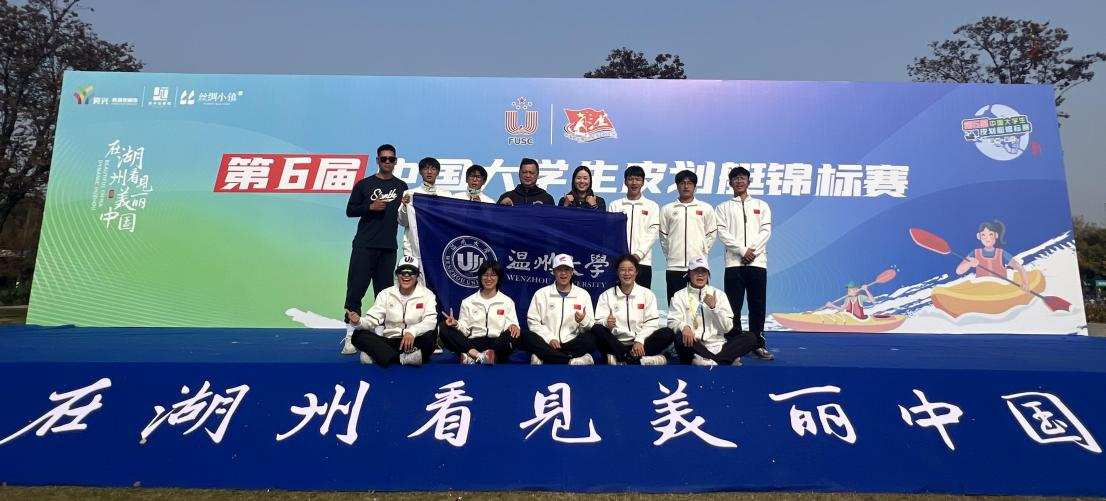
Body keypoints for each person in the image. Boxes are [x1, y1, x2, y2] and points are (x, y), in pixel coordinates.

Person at [341, 144, 409, 355]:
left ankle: (380, 335)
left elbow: (405, 216)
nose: (387, 162)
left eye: (391, 159)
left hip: (388, 247)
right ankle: (351, 335)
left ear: (395, 161)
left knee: (384, 294)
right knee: (355, 290)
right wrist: (369, 207)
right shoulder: (364, 184)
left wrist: (407, 205)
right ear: (377, 160)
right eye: (384, 158)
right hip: (364, 245)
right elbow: (350, 210)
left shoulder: (401, 186)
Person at [714, 166, 774, 361]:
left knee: (757, 305)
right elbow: (722, 232)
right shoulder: (722, 207)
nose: (739, 181)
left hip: (758, 262)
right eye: (735, 179)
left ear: (748, 181)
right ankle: (735, 346)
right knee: (733, 307)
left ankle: (758, 344)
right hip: (734, 263)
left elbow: (766, 231)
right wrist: (741, 251)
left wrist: (752, 251)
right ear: (730, 183)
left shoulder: (761, 205)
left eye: (742, 178)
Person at [344, 256, 438, 368]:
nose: (406, 275)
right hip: (390, 342)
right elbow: (372, 320)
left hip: (414, 342)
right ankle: (402, 359)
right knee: (358, 335)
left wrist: (412, 332)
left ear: (417, 275)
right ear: (397, 274)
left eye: (411, 272)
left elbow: (430, 321)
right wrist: (358, 321)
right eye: (402, 271)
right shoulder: (385, 294)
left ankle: (380, 356)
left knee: (431, 337)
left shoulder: (427, 295)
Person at [668, 256, 755, 366]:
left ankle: (711, 360)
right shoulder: (679, 296)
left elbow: (727, 327)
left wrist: (714, 308)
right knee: (679, 337)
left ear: (708, 274)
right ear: (689, 274)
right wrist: (684, 327)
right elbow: (672, 321)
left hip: (718, 346)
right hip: (694, 344)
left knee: (751, 338)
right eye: (696, 271)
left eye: (704, 272)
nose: (700, 275)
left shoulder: (719, 295)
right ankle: (725, 360)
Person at [591, 254, 674, 365]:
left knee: (667, 333)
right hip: (616, 344)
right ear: (617, 272)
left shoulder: (647, 294)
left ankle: (623, 359)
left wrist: (639, 340)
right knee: (597, 329)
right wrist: (606, 322)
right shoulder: (606, 295)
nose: (627, 273)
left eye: (630, 270)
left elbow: (652, 323)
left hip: (641, 343)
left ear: (636, 272)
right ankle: (638, 359)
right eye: (622, 270)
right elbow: (598, 322)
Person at [520, 253, 597, 365]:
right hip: (547, 342)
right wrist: (549, 338)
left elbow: (591, 325)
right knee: (527, 337)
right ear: (553, 272)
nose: (563, 273)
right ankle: (571, 360)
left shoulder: (583, 295)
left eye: (567, 269)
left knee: (592, 339)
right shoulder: (541, 294)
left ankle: (545, 357)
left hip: (571, 343)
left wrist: (583, 321)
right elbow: (533, 322)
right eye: (559, 269)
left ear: (572, 272)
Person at [438, 260, 521, 364]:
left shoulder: (507, 302)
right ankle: (480, 356)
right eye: (485, 275)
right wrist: (456, 324)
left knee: (516, 334)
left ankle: (474, 357)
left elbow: (512, 326)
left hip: (497, 343)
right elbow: (465, 330)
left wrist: (513, 325)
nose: (489, 278)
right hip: (473, 343)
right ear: (480, 277)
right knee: (443, 326)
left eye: (493, 275)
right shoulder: (468, 301)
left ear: (499, 278)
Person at [659, 170, 717, 302]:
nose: (686, 186)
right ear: (677, 186)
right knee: (675, 303)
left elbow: (711, 234)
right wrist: (671, 253)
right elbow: (663, 236)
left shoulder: (705, 208)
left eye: (689, 183)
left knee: (700, 305)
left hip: (698, 266)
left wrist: (702, 251)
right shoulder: (667, 209)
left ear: (694, 186)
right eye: (682, 183)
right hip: (674, 266)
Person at [608, 165, 660, 288]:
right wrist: (619, 256)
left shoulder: (652, 206)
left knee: (642, 296)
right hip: (619, 262)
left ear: (643, 182)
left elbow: (653, 232)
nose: (634, 183)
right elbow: (610, 232)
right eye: (631, 179)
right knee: (616, 295)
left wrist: (638, 255)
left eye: (638, 179)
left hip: (643, 262)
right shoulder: (615, 205)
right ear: (625, 182)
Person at [398, 156, 454, 258]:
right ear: (420, 172)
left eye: (433, 169)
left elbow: (449, 221)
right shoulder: (410, 193)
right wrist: (405, 206)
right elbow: (403, 222)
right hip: (414, 249)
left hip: (439, 246)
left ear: (438, 172)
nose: (429, 172)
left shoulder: (446, 195)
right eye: (425, 169)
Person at [955, 220, 1030, 290]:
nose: (987, 238)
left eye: (990, 234)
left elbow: (1019, 267)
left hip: (1000, 289)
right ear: (978, 236)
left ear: (996, 235)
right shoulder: (975, 253)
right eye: (983, 235)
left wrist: (1025, 283)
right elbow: (959, 271)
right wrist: (969, 264)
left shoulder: (1001, 253)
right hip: (982, 289)